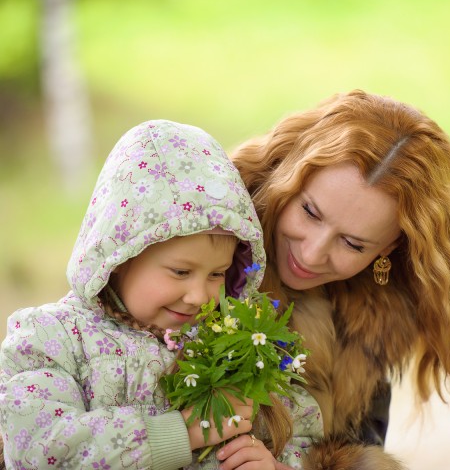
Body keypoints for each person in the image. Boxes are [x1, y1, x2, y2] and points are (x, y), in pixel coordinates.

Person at [0, 120, 320, 469]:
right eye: (180, 272)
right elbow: (38, 450)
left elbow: (304, 433)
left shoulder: (235, 346)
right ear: (120, 257)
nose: (199, 295)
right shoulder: (53, 339)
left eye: (216, 274)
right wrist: (182, 433)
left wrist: (277, 465)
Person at [232, 89, 450, 468]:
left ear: (387, 251)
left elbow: (356, 447)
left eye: (352, 244)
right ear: (288, 176)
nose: (311, 253)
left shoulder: (378, 320)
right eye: (310, 211)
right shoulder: (205, 240)